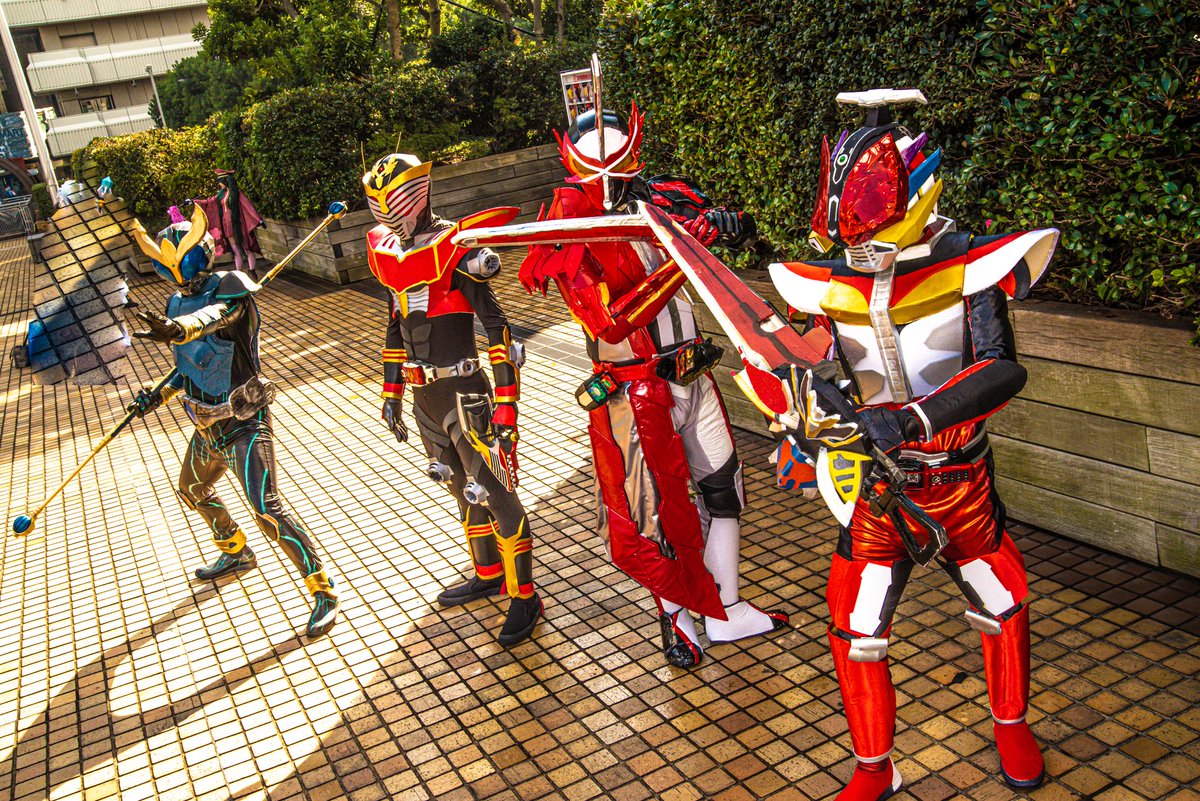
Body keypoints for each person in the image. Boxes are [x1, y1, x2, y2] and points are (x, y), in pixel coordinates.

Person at [768, 89, 1058, 800]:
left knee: (1003, 602)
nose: (859, 242)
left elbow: (1001, 367)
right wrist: (802, 418)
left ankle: (1012, 723)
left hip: (959, 479)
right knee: (856, 627)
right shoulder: (832, 280)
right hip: (874, 485)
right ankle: (874, 766)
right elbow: (818, 364)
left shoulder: (970, 267)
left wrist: (917, 418)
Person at [488, 66, 787, 668]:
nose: (609, 187)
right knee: (655, 515)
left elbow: (730, 226)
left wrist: (721, 225)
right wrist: (686, 251)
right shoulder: (566, 229)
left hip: (693, 373)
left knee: (724, 491)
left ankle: (725, 610)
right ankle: (678, 618)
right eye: (597, 173)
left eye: (620, 171)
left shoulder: (658, 199)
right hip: (633, 392)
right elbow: (611, 322)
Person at [126, 205, 339, 640]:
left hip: (243, 422)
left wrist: (178, 329)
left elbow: (213, 320)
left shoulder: (231, 289)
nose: (177, 272)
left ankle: (323, 590)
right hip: (207, 427)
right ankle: (235, 550)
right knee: (192, 489)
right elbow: (189, 366)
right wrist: (156, 395)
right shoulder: (176, 302)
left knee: (268, 510)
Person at [363, 152, 542, 647]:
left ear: (416, 191)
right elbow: (395, 328)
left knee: (497, 493)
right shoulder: (391, 255)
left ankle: (525, 596)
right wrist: (392, 392)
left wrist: (507, 404)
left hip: (466, 394)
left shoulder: (456, 248)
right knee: (461, 488)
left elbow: (497, 327)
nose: (387, 209)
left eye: (393, 196)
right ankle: (488, 574)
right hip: (426, 399)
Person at [194, 169, 265, 278]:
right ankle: (239, 273)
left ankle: (252, 270)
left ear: (226, 181)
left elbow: (248, 206)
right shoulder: (221, 194)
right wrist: (194, 202)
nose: (219, 184)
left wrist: (258, 220)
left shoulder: (237, 194)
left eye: (220, 181)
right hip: (227, 225)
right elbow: (209, 202)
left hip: (238, 225)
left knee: (246, 248)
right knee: (235, 250)